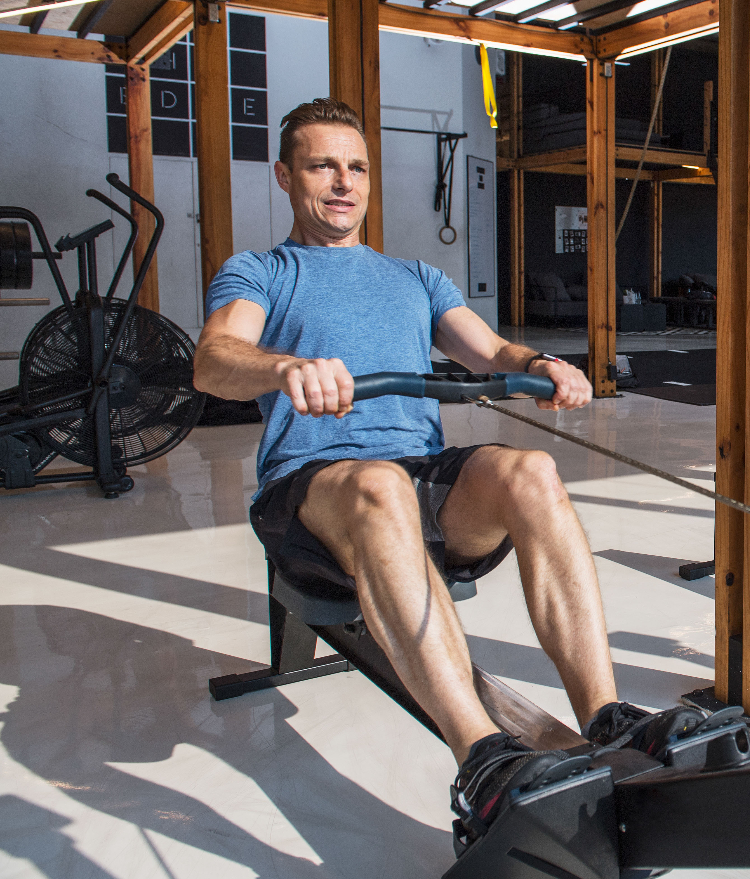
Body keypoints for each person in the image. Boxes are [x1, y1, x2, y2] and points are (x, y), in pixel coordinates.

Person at [193, 98, 707, 857]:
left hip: (416, 484)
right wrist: (285, 366)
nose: (343, 182)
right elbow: (213, 358)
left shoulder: (415, 276)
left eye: (356, 167)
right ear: (284, 175)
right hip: (313, 489)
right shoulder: (263, 271)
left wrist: (541, 365)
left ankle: (604, 714)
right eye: (321, 165)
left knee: (528, 469)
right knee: (380, 486)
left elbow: (490, 350)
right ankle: (483, 756)